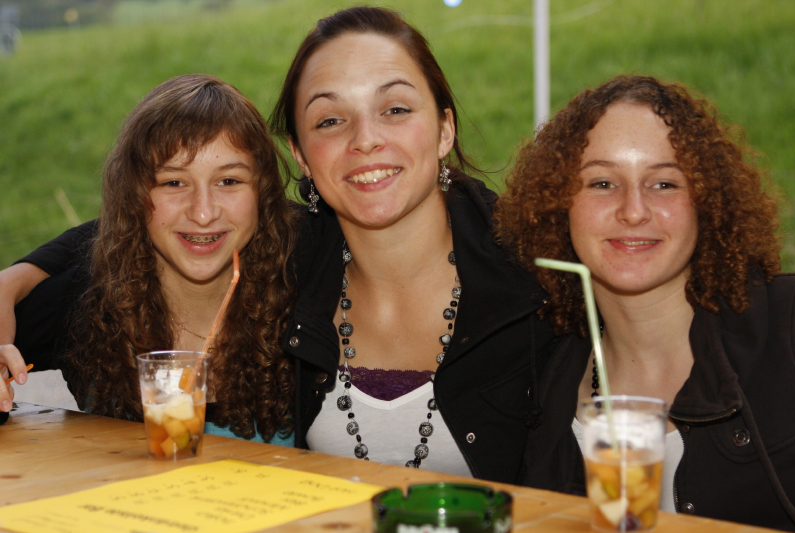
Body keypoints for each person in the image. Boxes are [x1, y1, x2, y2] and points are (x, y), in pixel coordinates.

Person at [1, 6, 554, 482]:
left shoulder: (532, 273)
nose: (203, 211)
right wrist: (14, 280)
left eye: (395, 109)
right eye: (331, 119)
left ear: (444, 129)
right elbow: (121, 236)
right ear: (300, 155)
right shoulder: (103, 298)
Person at [495, 75, 795, 531]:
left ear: (707, 201)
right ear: (558, 205)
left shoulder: (790, 326)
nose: (634, 211)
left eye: (663, 184)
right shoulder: (541, 379)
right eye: (602, 182)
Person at [0, 74, 296, 446]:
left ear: (264, 192)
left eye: (229, 181)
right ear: (134, 196)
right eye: (173, 183)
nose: (203, 213)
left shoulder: (307, 284)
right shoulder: (90, 300)